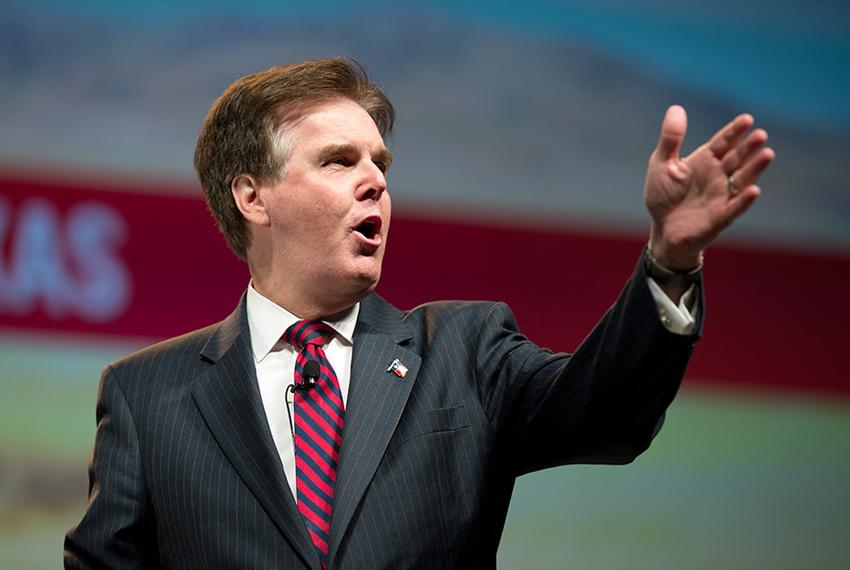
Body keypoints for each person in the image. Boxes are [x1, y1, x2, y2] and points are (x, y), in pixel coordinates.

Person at [64, 58, 774, 568]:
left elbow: (607, 413)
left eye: (382, 164)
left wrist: (670, 259)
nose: (376, 181)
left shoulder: (465, 351)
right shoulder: (147, 395)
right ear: (253, 197)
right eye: (340, 162)